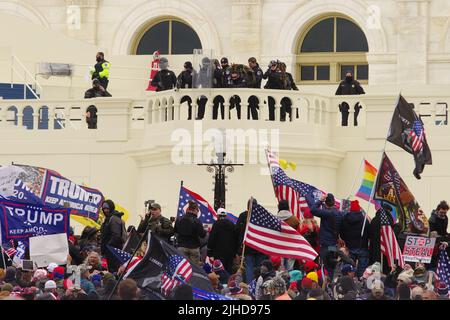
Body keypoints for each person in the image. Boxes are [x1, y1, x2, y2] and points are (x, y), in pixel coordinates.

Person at [307, 193, 343, 279]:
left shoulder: (327, 213)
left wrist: (320, 200)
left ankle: (327, 284)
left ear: (326, 203)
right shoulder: (339, 213)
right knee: (332, 265)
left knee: (326, 267)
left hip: (326, 245)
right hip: (333, 244)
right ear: (334, 202)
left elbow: (312, 210)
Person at [236, 201, 268, 283]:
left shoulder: (243, 216)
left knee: (249, 267)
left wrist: (239, 247)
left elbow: (238, 231)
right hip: (260, 246)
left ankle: (250, 285)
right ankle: (258, 284)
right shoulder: (262, 216)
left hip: (248, 246)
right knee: (259, 268)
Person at [340, 200, 370, 278]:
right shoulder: (364, 221)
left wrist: (346, 240)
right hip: (362, 247)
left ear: (350, 209)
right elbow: (369, 234)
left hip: (350, 247)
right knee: (362, 270)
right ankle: (360, 283)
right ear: (359, 209)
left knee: (349, 268)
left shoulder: (344, 219)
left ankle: (348, 282)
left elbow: (342, 234)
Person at [174, 201, 206, 266]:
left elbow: (175, 231)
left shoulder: (179, 219)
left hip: (181, 246)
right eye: (198, 210)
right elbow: (202, 235)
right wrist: (205, 231)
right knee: (195, 268)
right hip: (193, 247)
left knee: (182, 267)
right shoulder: (197, 221)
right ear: (195, 210)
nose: (197, 212)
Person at [207, 208, 238, 274]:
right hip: (230, 252)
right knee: (228, 270)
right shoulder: (232, 225)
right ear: (226, 216)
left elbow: (212, 238)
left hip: (218, 252)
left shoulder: (216, 224)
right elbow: (236, 239)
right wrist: (235, 252)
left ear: (218, 216)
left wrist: (209, 250)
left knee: (219, 270)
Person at [369, 205, 397, 274]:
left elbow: (370, 233)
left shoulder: (374, 219)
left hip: (375, 245)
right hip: (386, 246)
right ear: (388, 211)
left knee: (376, 264)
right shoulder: (389, 220)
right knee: (385, 265)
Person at [100, 199, 127, 273]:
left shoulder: (113, 219)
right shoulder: (108, 218)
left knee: (114, 270)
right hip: (110, 250)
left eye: (107, 208)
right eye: (104, 209)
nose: (105, 210)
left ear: (111, 208)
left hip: (113, 250)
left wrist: (108, 246)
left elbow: (116, 236)